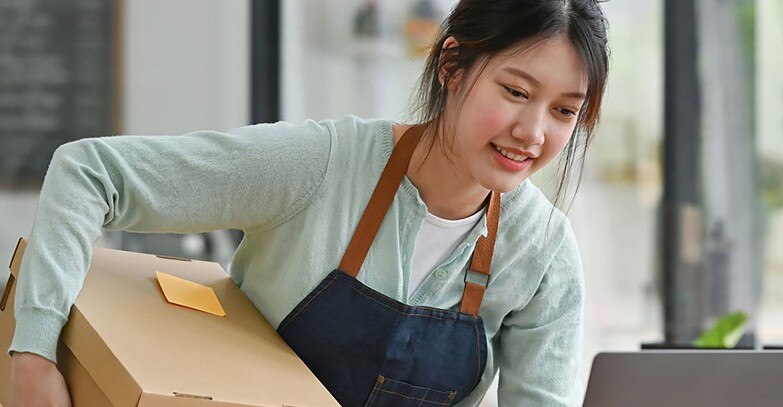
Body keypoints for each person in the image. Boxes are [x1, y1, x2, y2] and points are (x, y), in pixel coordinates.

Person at [7, 0, 609, 405]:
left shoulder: (544, 252)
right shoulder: (323, 164)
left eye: (564, 110)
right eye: (515, 91)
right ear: (451, 65)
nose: (533, 133)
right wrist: (33, 354)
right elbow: (90, 173)